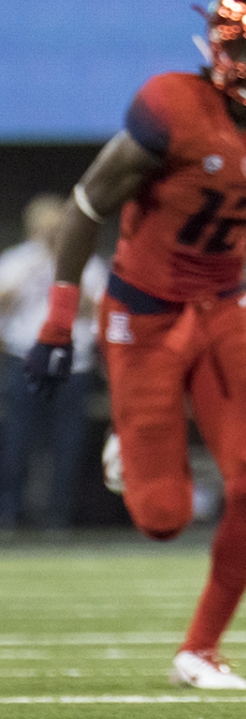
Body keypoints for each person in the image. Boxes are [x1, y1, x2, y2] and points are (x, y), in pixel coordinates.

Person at [26, 0, 246, 689]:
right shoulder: (171, 107)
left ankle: (200, 649)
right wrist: (58, 320)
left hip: (223, 306)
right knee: (164, 518)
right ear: (218, 46)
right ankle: (130, 440)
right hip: (142, 312)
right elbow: (87, 206)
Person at [0, 194, 107, 534]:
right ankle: (10, 514)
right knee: (18, 440)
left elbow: (100, 310)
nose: (50, 232)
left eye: (55, 226)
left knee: (68, 444)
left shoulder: (86, 262)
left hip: (73, 365)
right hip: (25, 359)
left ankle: (58, 518)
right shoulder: (17, 261)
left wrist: (69, 277)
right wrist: (32, 273)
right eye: (44, 227)